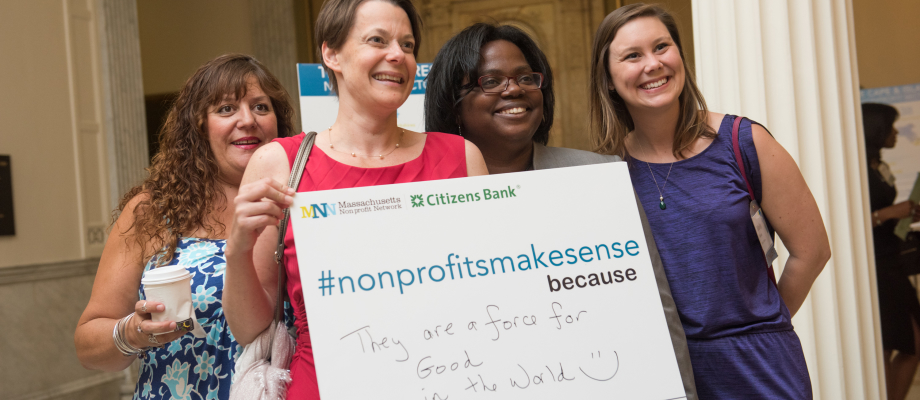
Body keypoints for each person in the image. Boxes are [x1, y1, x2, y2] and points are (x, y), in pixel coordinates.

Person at [222, 0, 488, 398]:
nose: (397, 55)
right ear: (331, 54)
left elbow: (493, 290)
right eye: (377, 40)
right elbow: (251, 329)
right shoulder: (279, 163)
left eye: (408, 45)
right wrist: (237, 250)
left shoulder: (461, 158)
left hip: (450, 378)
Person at [424, 22, 697, 399]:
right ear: (453, 103)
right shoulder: (425, 197)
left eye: (526, 78)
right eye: (491, 81)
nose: (514, 89)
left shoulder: (599, 175)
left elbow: (655, 304)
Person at [588, 4, 832, 398]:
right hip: (666, 372)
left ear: (680, 55)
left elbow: (812, 251)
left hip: (762, 367)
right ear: (609, 79)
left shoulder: (743, 141)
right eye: (632, 55)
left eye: (662, 47)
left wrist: (764, 324)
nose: (653, 64)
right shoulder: (608, 170)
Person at [74, 54, 295, 399]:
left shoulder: (303, 202)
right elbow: (88, 344)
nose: (248, 120)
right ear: (199, 126)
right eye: (226, 109)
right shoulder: (152, 211)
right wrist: (133, 333)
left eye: (261, 107)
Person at [863, 102, 920, 400]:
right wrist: (886, 214)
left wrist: (903, 215)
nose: (896, 132)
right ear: (876, 129)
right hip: (876, 265)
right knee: (886, 344)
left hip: (892, 259)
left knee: (912, 343)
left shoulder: (878, 165)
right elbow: (850, 221)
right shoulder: (857, 168)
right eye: (890, 126)